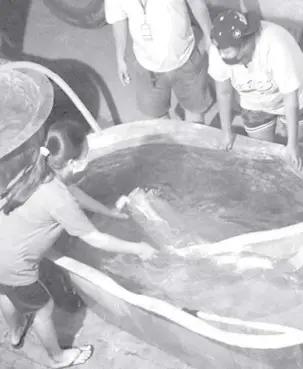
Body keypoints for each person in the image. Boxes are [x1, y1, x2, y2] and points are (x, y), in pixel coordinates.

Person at [0, 118, 157, 369]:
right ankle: (56, 358)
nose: (87, 159)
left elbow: (75, 193)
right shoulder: (59, 199)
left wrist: (109, 212)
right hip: (14, 266)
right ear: (73, 163)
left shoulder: (38, 169)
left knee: (6, 291)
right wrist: (138, 248)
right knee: (43, 309)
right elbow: (95, 238)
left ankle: (16, 332)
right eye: (85, 154)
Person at [208, 9, 303, 170]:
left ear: (245, 43)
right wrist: (226, 131)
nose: (223, 55)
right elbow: (224, 92)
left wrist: (292, 144)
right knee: (261, 151)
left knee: (299, 143)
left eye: (240, 59)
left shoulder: (275, 46)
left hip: (292, 95)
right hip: (253, 101)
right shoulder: (218, 51)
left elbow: (290, 100)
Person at [105, 0, 213, 123]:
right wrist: (120, 58)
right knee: (158, 119)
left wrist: (209, 35)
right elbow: (118, 20)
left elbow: (195, 2)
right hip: (147, 66)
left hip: (186, 58)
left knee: (195, 115)